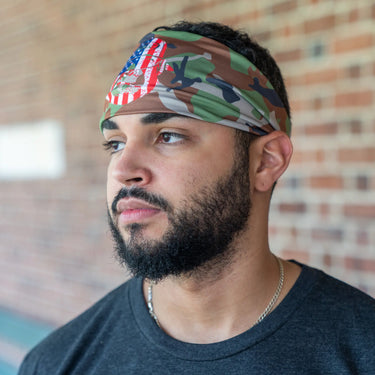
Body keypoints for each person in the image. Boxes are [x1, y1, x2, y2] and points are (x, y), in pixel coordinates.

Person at [19, 21, 375, 374]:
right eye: (115, 143)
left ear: (266, 162)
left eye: (168, 136)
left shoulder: (362, 350)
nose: (121, 169)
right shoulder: (55, 363)